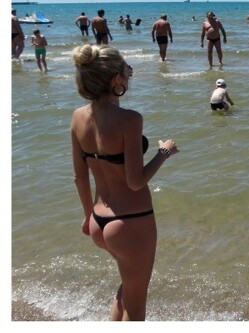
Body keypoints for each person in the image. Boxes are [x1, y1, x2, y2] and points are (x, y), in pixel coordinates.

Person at [69, 44, 179, 320]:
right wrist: (164, 153)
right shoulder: (129, 119)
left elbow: (79, 176)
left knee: (128, 288)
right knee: (136, 299)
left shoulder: (78, 117)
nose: (130, 72)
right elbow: (135, 181)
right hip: (130, 221)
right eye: (127, 68)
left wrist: (86, 217)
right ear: (117, 79)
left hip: (98, 220)